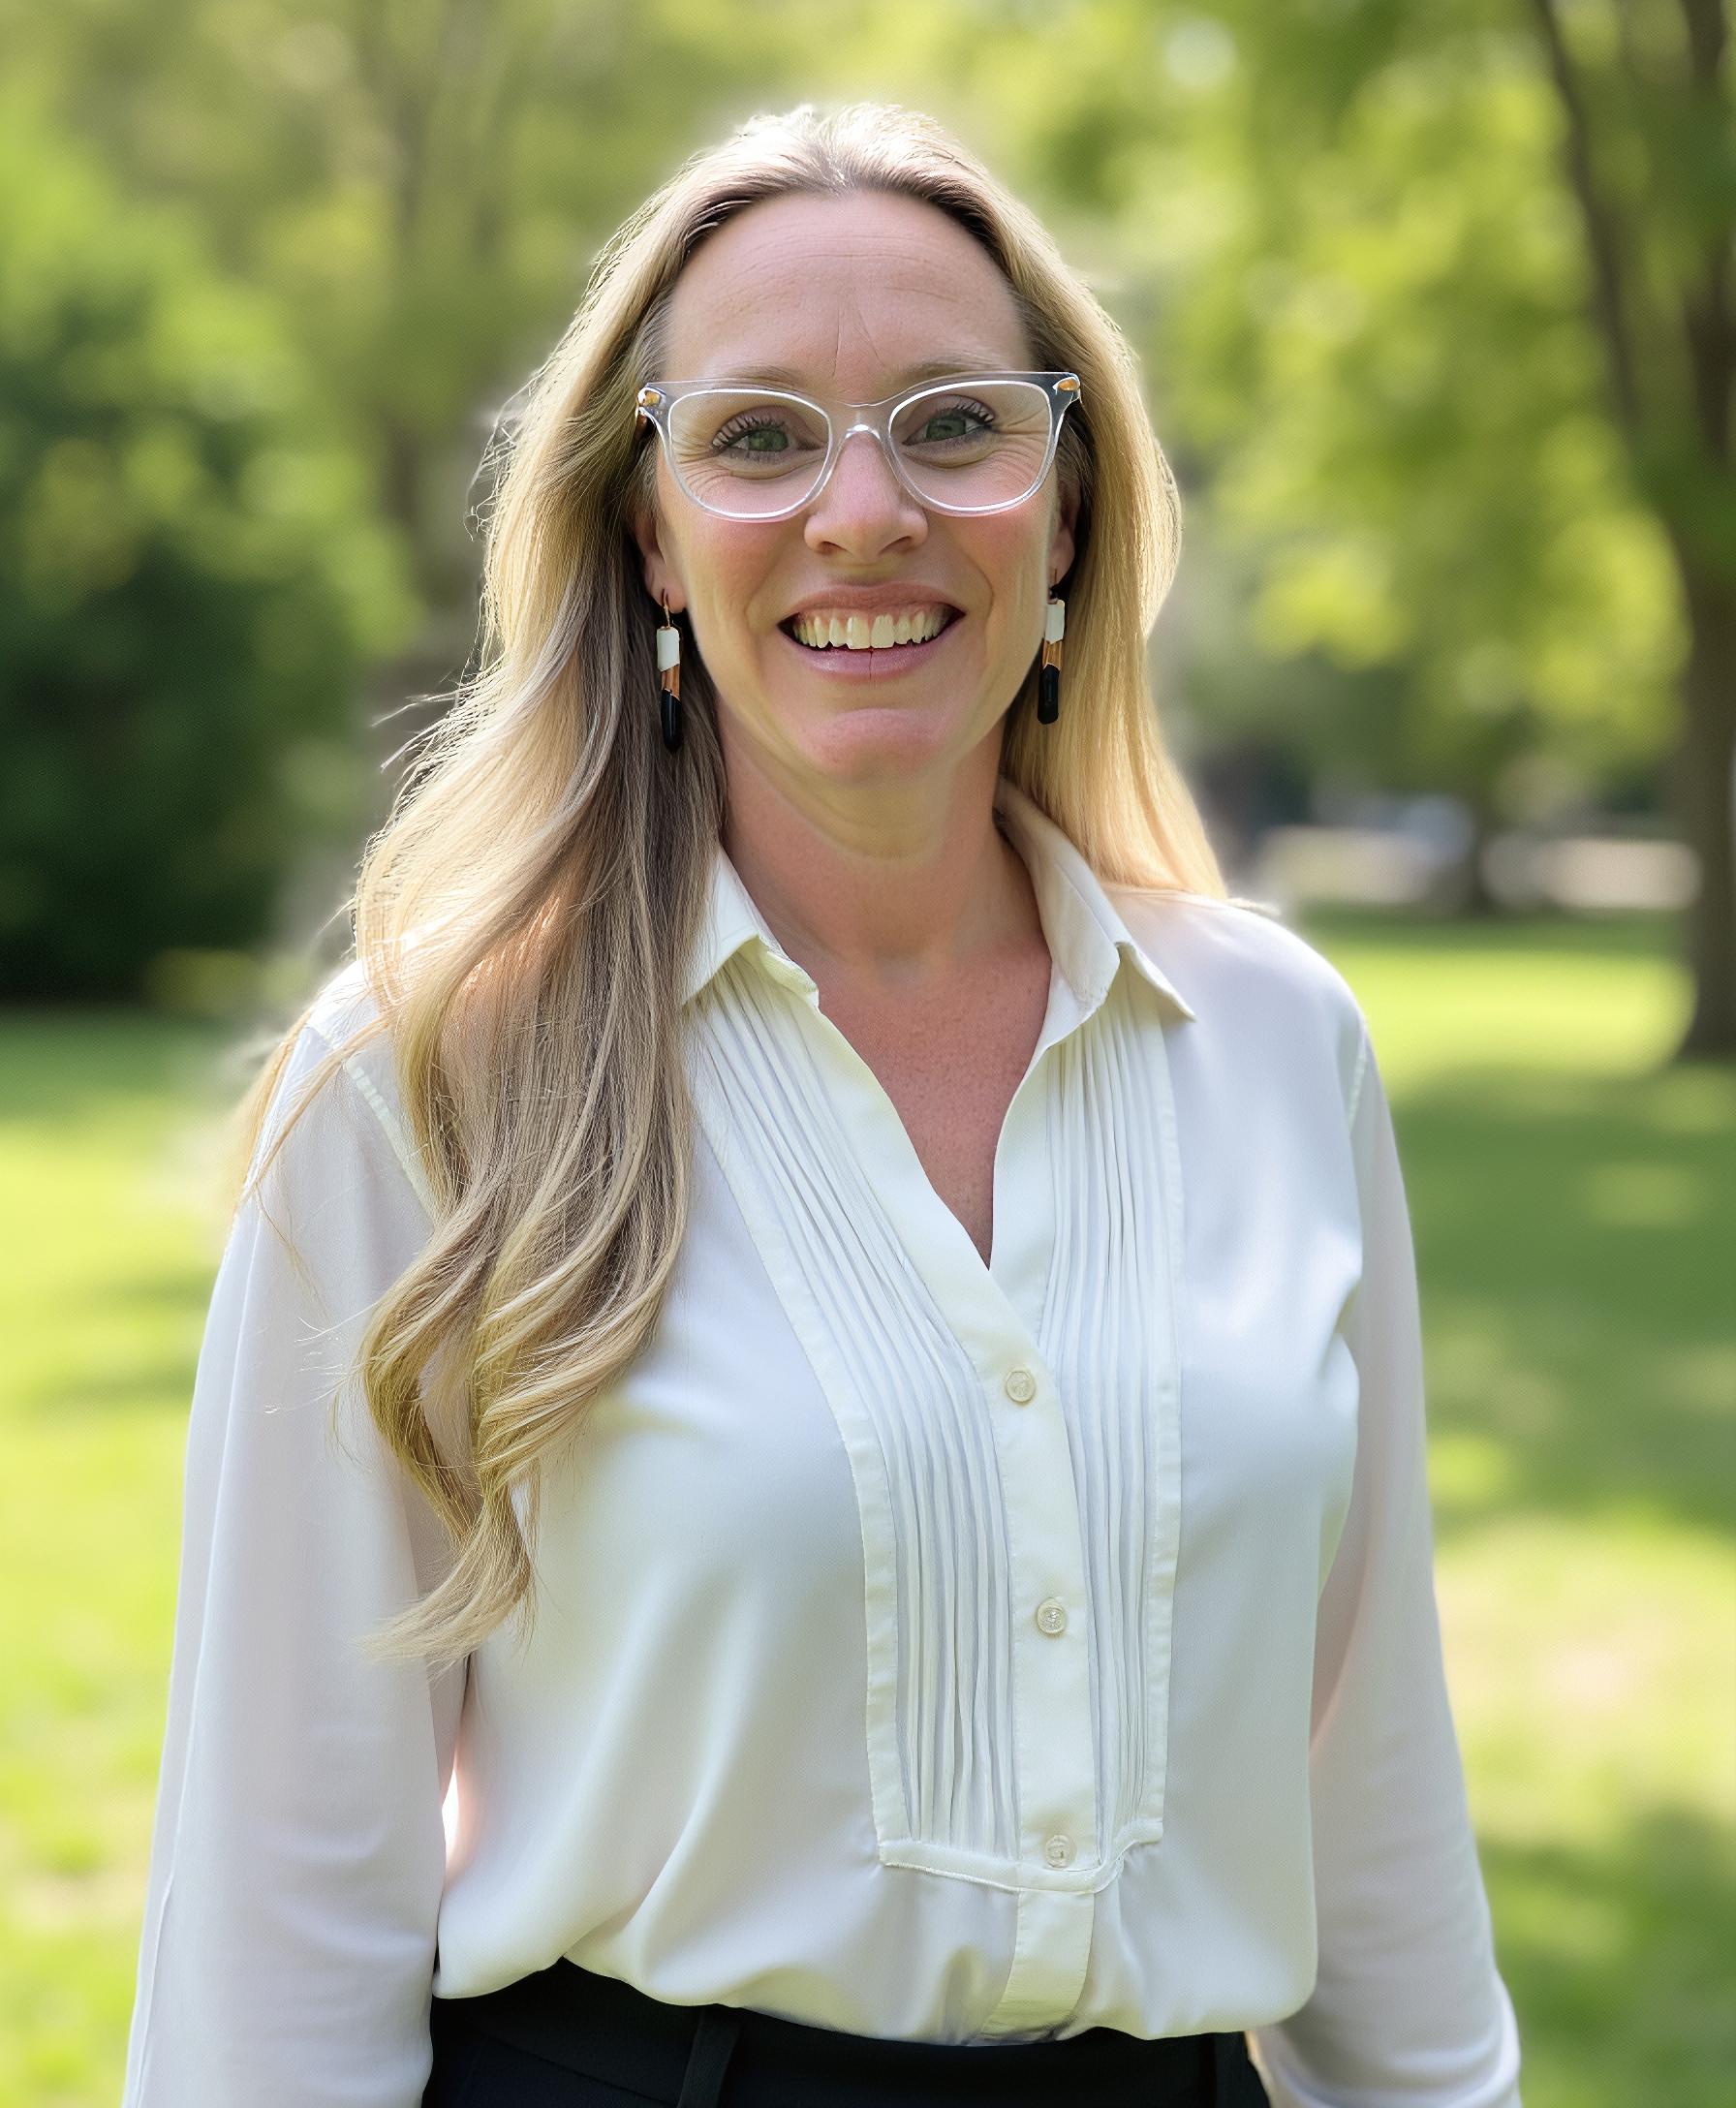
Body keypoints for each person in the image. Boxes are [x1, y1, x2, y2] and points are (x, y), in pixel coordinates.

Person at [118, 99, 1524, 2108]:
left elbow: (1369, 1810)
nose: (862, 512)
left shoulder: (1275, 1048)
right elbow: (272, 1926)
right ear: (649, 535)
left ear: (1064, 509)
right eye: (759, 437)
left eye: (952, 424)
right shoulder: (421, 1081)